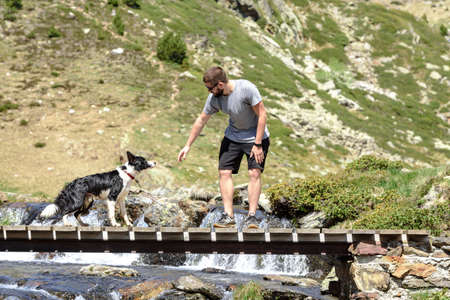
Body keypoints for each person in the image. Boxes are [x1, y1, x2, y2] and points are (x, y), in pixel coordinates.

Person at [177, 66, 270, 229]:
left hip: (256, 137)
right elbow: (201, 120)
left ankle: (252, 217)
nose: (208, 92)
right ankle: (228, 217)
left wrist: (257, 144)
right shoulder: (214, 98)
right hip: (233, 136)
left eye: (209, 88)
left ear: (220, 85)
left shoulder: (246, 88)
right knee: (224, 172)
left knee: (254, 172)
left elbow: (262, 114)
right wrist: (187, 145)